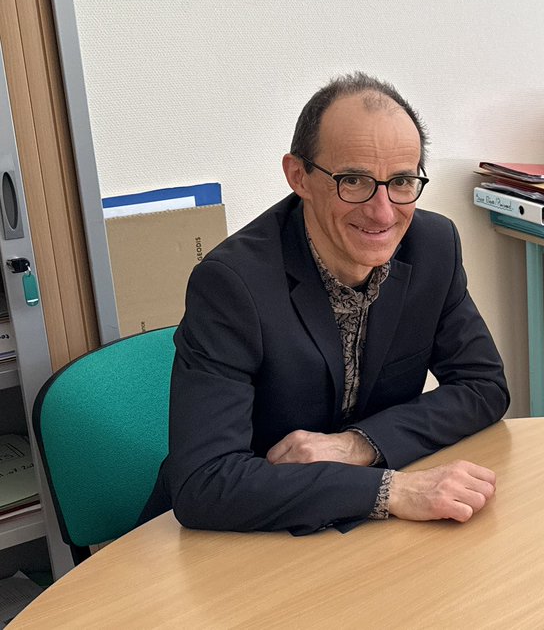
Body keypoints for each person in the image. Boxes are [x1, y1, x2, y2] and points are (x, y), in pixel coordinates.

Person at [140, 73, 509, 534]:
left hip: (357, 540)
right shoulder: (232, 286)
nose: (382, 212)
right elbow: (206, 484)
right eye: (353, 181)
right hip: (238, 539)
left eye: (400, 182)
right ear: (299, 177)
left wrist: (358, 446)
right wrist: (391, 490)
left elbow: (483, 387)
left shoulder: (433, 246)